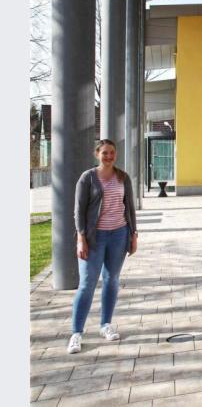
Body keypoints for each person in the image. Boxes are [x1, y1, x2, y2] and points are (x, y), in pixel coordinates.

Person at [69, 139, 138, 354]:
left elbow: (130, 207)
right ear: (97, 154)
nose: (108, 156)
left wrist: (133, 234)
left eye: (112, 153)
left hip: (119, 234)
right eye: (104, 153)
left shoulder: (122, 177)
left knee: (111, 279)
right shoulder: (87, 178)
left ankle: (105, 325)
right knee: (87, 283)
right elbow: (78, 211)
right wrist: (81, 238)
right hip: (94, 237)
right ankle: (76, 333)